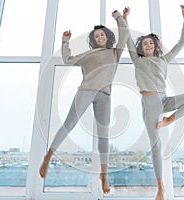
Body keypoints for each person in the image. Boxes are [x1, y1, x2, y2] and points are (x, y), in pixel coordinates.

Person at [39, 9, 129, 194]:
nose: (100, 37)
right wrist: (65, 41)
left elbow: (125, 34)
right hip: (86, 91)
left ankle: (103, 174)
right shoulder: (88, 55)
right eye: (96, 36)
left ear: (107, 37)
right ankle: (48, 156)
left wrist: (119, 17)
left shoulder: (114, 53)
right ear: (94, 40)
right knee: (70, 123)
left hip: (105, 95)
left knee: (104, 135)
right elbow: (67, 59)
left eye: (102, 34)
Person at [123, 5, 184, 200]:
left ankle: (170, 120)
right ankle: (161, 188)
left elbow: (181, 43)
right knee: (156, 146)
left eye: (151, 43)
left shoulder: (164, 59)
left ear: (156, 46)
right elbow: (127, 40)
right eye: (145, 44)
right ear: (141, 48)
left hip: (165, 99)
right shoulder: (137, 60)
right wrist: (125, 19)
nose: (148, 45)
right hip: (149, 102)